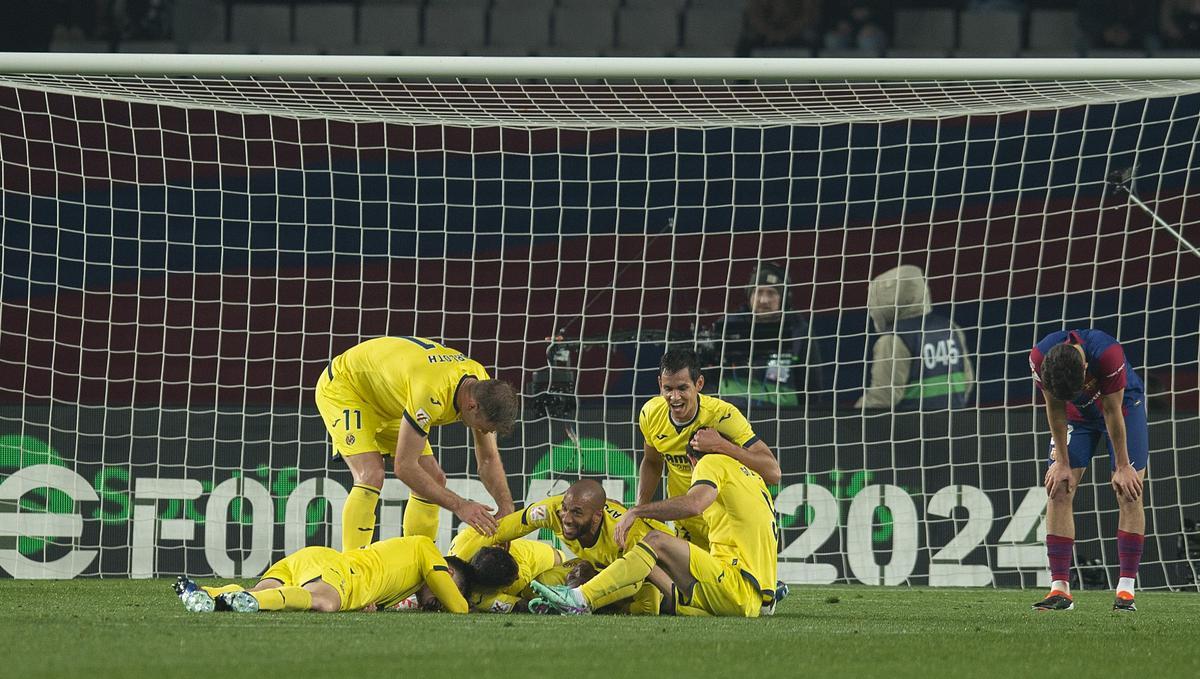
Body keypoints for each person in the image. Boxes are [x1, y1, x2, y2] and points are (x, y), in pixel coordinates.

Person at [530, 430, 778, 618]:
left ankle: (581, 598)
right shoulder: (752, 477)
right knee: (647, 558)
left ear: (692, 461)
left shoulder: (711, 463)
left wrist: (637, 511)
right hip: (756, 597)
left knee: (655, 542)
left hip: (736, 584)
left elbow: (694, 504)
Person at [315, 336, 519, 551]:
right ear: (471, 406)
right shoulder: (432, 392)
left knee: (433, 478)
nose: (486, 432)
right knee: (371, 474)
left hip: (391, 398)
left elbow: (488, 458)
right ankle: (352, 566)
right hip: (347, 388)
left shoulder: (480, 383)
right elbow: (404, 467)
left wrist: (506, 506)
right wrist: (461, 506)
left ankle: (420, 560)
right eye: (485, 426)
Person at [1029, 329, 1148, 612]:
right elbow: (1055, 409)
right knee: (1058, 487)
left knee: (1128, 490)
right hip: (1075, 417)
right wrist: (1062, 463)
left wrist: (1122, 466)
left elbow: (1112, 411)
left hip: (1123, 408)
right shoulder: (1039, 359)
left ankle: (1126, 591)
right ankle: (1060, 590)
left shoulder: (1108, 354)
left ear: (1085, 368)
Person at [450, 479, 667, 615]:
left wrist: (586, 594)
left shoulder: (628, 533)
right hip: (598, 565)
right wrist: (456, 566)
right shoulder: (553, 510)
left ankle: (582, 601)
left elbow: (638, 578)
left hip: (659, 572)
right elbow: (506, 527)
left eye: (577, 513)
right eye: (566, 509)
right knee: (540, 586)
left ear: (597, 516)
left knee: (649, 608)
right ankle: (579, 599)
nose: (567, 519)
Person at [637, 349, 780, 553]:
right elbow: (652, 462)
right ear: (660, 384)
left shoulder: (723, 415)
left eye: (682, 388)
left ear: (699, 384)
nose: (674, 397)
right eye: (668, 388)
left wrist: (721, 445)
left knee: (731, 585)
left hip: (727, 522)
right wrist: (641, 510)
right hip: (687, 522)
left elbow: (773, 473)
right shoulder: (651, 413)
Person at [172, 535, 469, 614]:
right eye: (449, 586)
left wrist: (373, 606)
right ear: (449, 570)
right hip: (338, 571)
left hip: (314, 562)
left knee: (254, 591)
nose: (440, 601)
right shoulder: (427, 548)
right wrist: (466, 603)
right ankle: (251, 603)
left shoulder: (404, 580)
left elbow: (380, 585)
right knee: (324, 602)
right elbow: (458, 607)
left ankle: (204, 592)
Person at [709, 262, 825, 415]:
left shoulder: (799, 331)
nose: (764, 300)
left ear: (784, 298)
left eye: (771, 293)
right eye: (759, 292)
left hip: (784, 419)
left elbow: (813, 387)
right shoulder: (726, 326)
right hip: (732, 418)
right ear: (750, 295)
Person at [856, 264, 974, 411]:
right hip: (954, 426)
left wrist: (850, 416)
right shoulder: (950, 328)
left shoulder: (894, 339)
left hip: (910, 428)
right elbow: (967, 381)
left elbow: (883, 397)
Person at [459, 543, 566, 614]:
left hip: (554, 564)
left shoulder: (521, 579)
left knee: (534, 593)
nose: (517, 577)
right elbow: (521, 605)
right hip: (541, 554)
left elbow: (524, 605)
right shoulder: (483, 599)